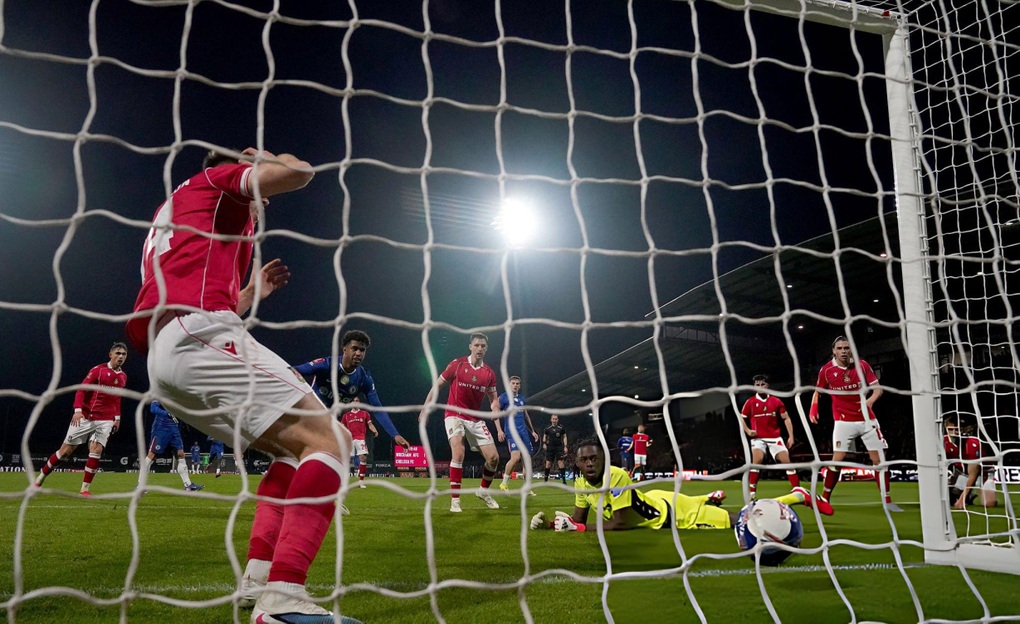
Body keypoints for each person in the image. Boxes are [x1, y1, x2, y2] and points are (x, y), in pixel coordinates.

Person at [125, 146, 362, 624]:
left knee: (292, 453)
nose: (263, 200)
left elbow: (210, 290)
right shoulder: (214, 182)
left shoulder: (178, 212)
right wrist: (269, 158)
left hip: (169, 355)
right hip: (196, 335)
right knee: (332, 442)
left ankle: (257, 579)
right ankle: (284, 597)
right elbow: (300, 171)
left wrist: (254, 293)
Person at [529, 439, 831, 532]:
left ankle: (795, 495)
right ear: (577, 465)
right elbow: (578, 518)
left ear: (604, 460)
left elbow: (619, 523)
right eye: (585, 460)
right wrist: (556, 525)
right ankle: (708, 497)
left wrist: (576, 529)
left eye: (595, 458)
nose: (591, 463)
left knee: (742, 520)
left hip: (671, 513)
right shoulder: (581, 482)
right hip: (655, 500)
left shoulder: (617, 475)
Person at [292, 329, 412, 476]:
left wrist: (395, 435)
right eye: (354, 348)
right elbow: (294, 371)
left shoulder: (363, 378)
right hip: (306, 416)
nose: (359, 353)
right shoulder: (327, 365)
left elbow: (378, 409)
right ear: (345, 350)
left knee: (322, 465)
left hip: (326, 423)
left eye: (362, 350)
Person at [809, 336, 900, 512]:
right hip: (843, 421)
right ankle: (825, 498)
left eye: (847, 348)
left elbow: (878, 389)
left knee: (879, 460)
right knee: (838, 461)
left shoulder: (862, 365)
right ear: (833, 351)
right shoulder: (826, 371)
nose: (844, 351)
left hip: (867, 420)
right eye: (840, 348)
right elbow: (817, 392)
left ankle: (887, 500)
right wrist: (814, 408)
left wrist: (870, 401)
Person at [419, 332, 501, 513]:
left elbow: (494, 399)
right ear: (470, 346)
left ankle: (483, 492)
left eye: (483, 346)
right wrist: (426, 408)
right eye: (477, 345)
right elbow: (437, 385)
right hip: (454, 414)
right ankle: (455, 501)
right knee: (458, 451)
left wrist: (495, 409)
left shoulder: (489, 373)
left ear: (486, 349)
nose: (480, 348)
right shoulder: (457, 364)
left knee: (494, 458)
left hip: (475, 418)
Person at [34, 342, 128, 496]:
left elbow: (117, 398)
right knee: (65, 452)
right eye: (118, 353)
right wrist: (78, 411)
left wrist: (117, 417)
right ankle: (40, 478)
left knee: (96, 450)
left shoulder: (123, 376)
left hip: (105, 420)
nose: (120, 357)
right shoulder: (98, 370)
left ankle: (84, 489)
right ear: (110, 354)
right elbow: (81, 390)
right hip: (86, 417)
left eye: (123, 354)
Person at [739, 374, 800, 498]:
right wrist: (748, 431)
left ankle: (797, 490)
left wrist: (791, 436)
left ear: (768, 386)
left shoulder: (776, 401)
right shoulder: (750, 402)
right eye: (757, 385)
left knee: (787, 462)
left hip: (774, 438)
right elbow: (741, 418)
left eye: (763, 384)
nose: (760, 387)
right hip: (758, 438)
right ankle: (752, 493)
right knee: (757, 461)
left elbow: (786, 418)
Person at [142, 401, 204, 491]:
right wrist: (167, 413)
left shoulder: (178, 395)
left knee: (181, 454)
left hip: (174, 429)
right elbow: (153, 408)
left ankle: (188, 485)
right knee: (152, 455)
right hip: (161, 429)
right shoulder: (161, 392)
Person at [495, 375, 539, 494]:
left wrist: (533, 431)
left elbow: (526, 415)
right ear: (509, 385)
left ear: (520, 386)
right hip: (511, 432)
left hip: (523, 433)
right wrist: (499, 430)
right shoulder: (503, 398)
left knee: (527, 460)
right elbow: (495, 414)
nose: (515, 385)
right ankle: (504, 483)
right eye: (513, 383)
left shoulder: (522, 399)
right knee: (515, 458)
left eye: (517, 384)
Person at [944, 416, 997, 509]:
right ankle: (965, 495)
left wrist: (962, 500)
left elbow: (974, 473)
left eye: (956, 430)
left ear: (963, 430)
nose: (954, 433)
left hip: (983, 473)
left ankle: (971, 494)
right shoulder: (944, 442)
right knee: (949, 498)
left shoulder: (972, 444)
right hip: (961, 473)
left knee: (989, 504)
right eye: (950, 430)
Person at [339, 406, 378, 488]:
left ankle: (361, 482)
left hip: (360, 439)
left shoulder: (364, 413)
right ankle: (342, 482)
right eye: (354, 400)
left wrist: (374, 430)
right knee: (347, 460)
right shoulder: (346, 415)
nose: (355, 402)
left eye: (357, 401)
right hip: (350, 439)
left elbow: (370, 424)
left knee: (363, 458)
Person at [542, 414, 569, 484]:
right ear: (551, 420)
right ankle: (545, 480)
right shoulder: (548, 428)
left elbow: (565, 436)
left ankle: (564, 481)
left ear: (557, 420)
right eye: (553, 419)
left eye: (556, 419)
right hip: (550, 447)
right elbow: (544, 436)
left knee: (561, 463)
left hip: (559, 447)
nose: (554, 420)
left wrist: (565, 446)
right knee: (548, 463)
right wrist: (544, 443)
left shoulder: (561, 428)